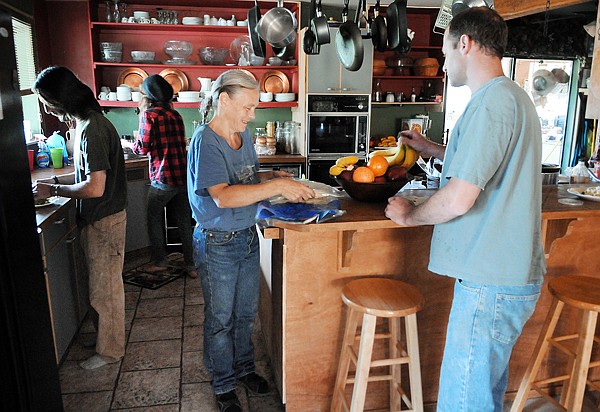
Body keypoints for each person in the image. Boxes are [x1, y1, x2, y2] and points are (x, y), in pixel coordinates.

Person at [384, 8, 546, 412]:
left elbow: (459, 198)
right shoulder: (511, 98)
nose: (443, 62)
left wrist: (408, 215)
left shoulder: (491, 103)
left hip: (489, 279)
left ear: (465, 44)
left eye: (444, 51)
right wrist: (433, 150)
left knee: (464, 402)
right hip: (504, 274)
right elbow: (487, 164)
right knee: (481, 394)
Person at [187, 70, 315, 412]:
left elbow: (244, 179)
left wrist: (271, 176)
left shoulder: (240, 136)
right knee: (221, 320)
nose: (252, 114)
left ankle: (243, 369)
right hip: (218, 243)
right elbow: (223, 196)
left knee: (245, 314)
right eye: (248, 107)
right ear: (224, 100)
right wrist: (274, 188)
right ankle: (224, 384)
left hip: (245, 236)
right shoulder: (206, 140)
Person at [32, 66, 128, 370]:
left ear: (61, 100)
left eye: (47, 102)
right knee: (100, 286)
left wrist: (54, 187)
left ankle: (111, 351)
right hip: (101, 219)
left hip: (105, 220)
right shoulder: (89, 124)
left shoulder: (93, 130)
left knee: (106, 290)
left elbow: (95, 187)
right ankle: (105, 339)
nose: (47, 108)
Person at [127, 74, 196, 278]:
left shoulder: (149, 116)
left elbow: (142, 149)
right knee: (185, 221)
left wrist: (130, 144)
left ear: (146, 96)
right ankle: (191, 265)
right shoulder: (175, 115)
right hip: (182, 177)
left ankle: (160, 261)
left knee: (154, 217)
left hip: (162, 179)